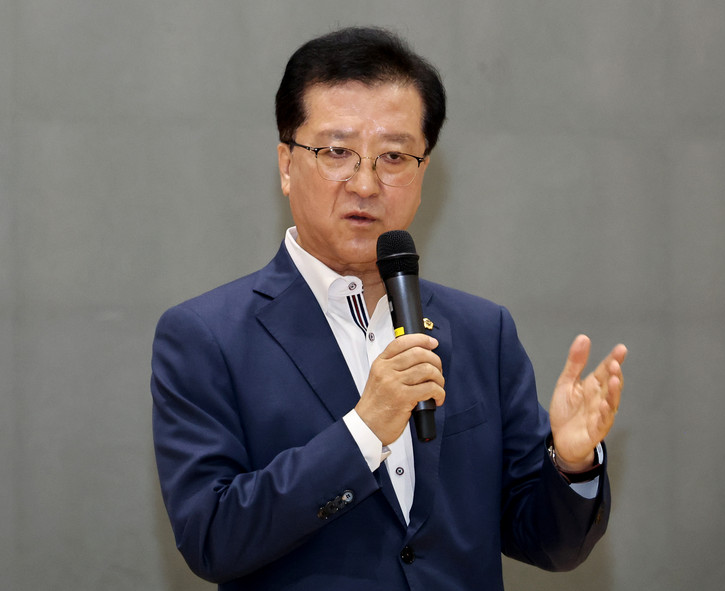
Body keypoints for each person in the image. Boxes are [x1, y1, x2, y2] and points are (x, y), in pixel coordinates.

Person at [151, 26, 627, 591]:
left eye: (394, 157)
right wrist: (364, 430)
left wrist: (570, 463)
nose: (365, 183)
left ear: (424, 172)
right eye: (337, 152)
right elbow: (212, 538)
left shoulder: (483, 331)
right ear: (286, 164)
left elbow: (549, 543)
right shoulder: (206, 336)